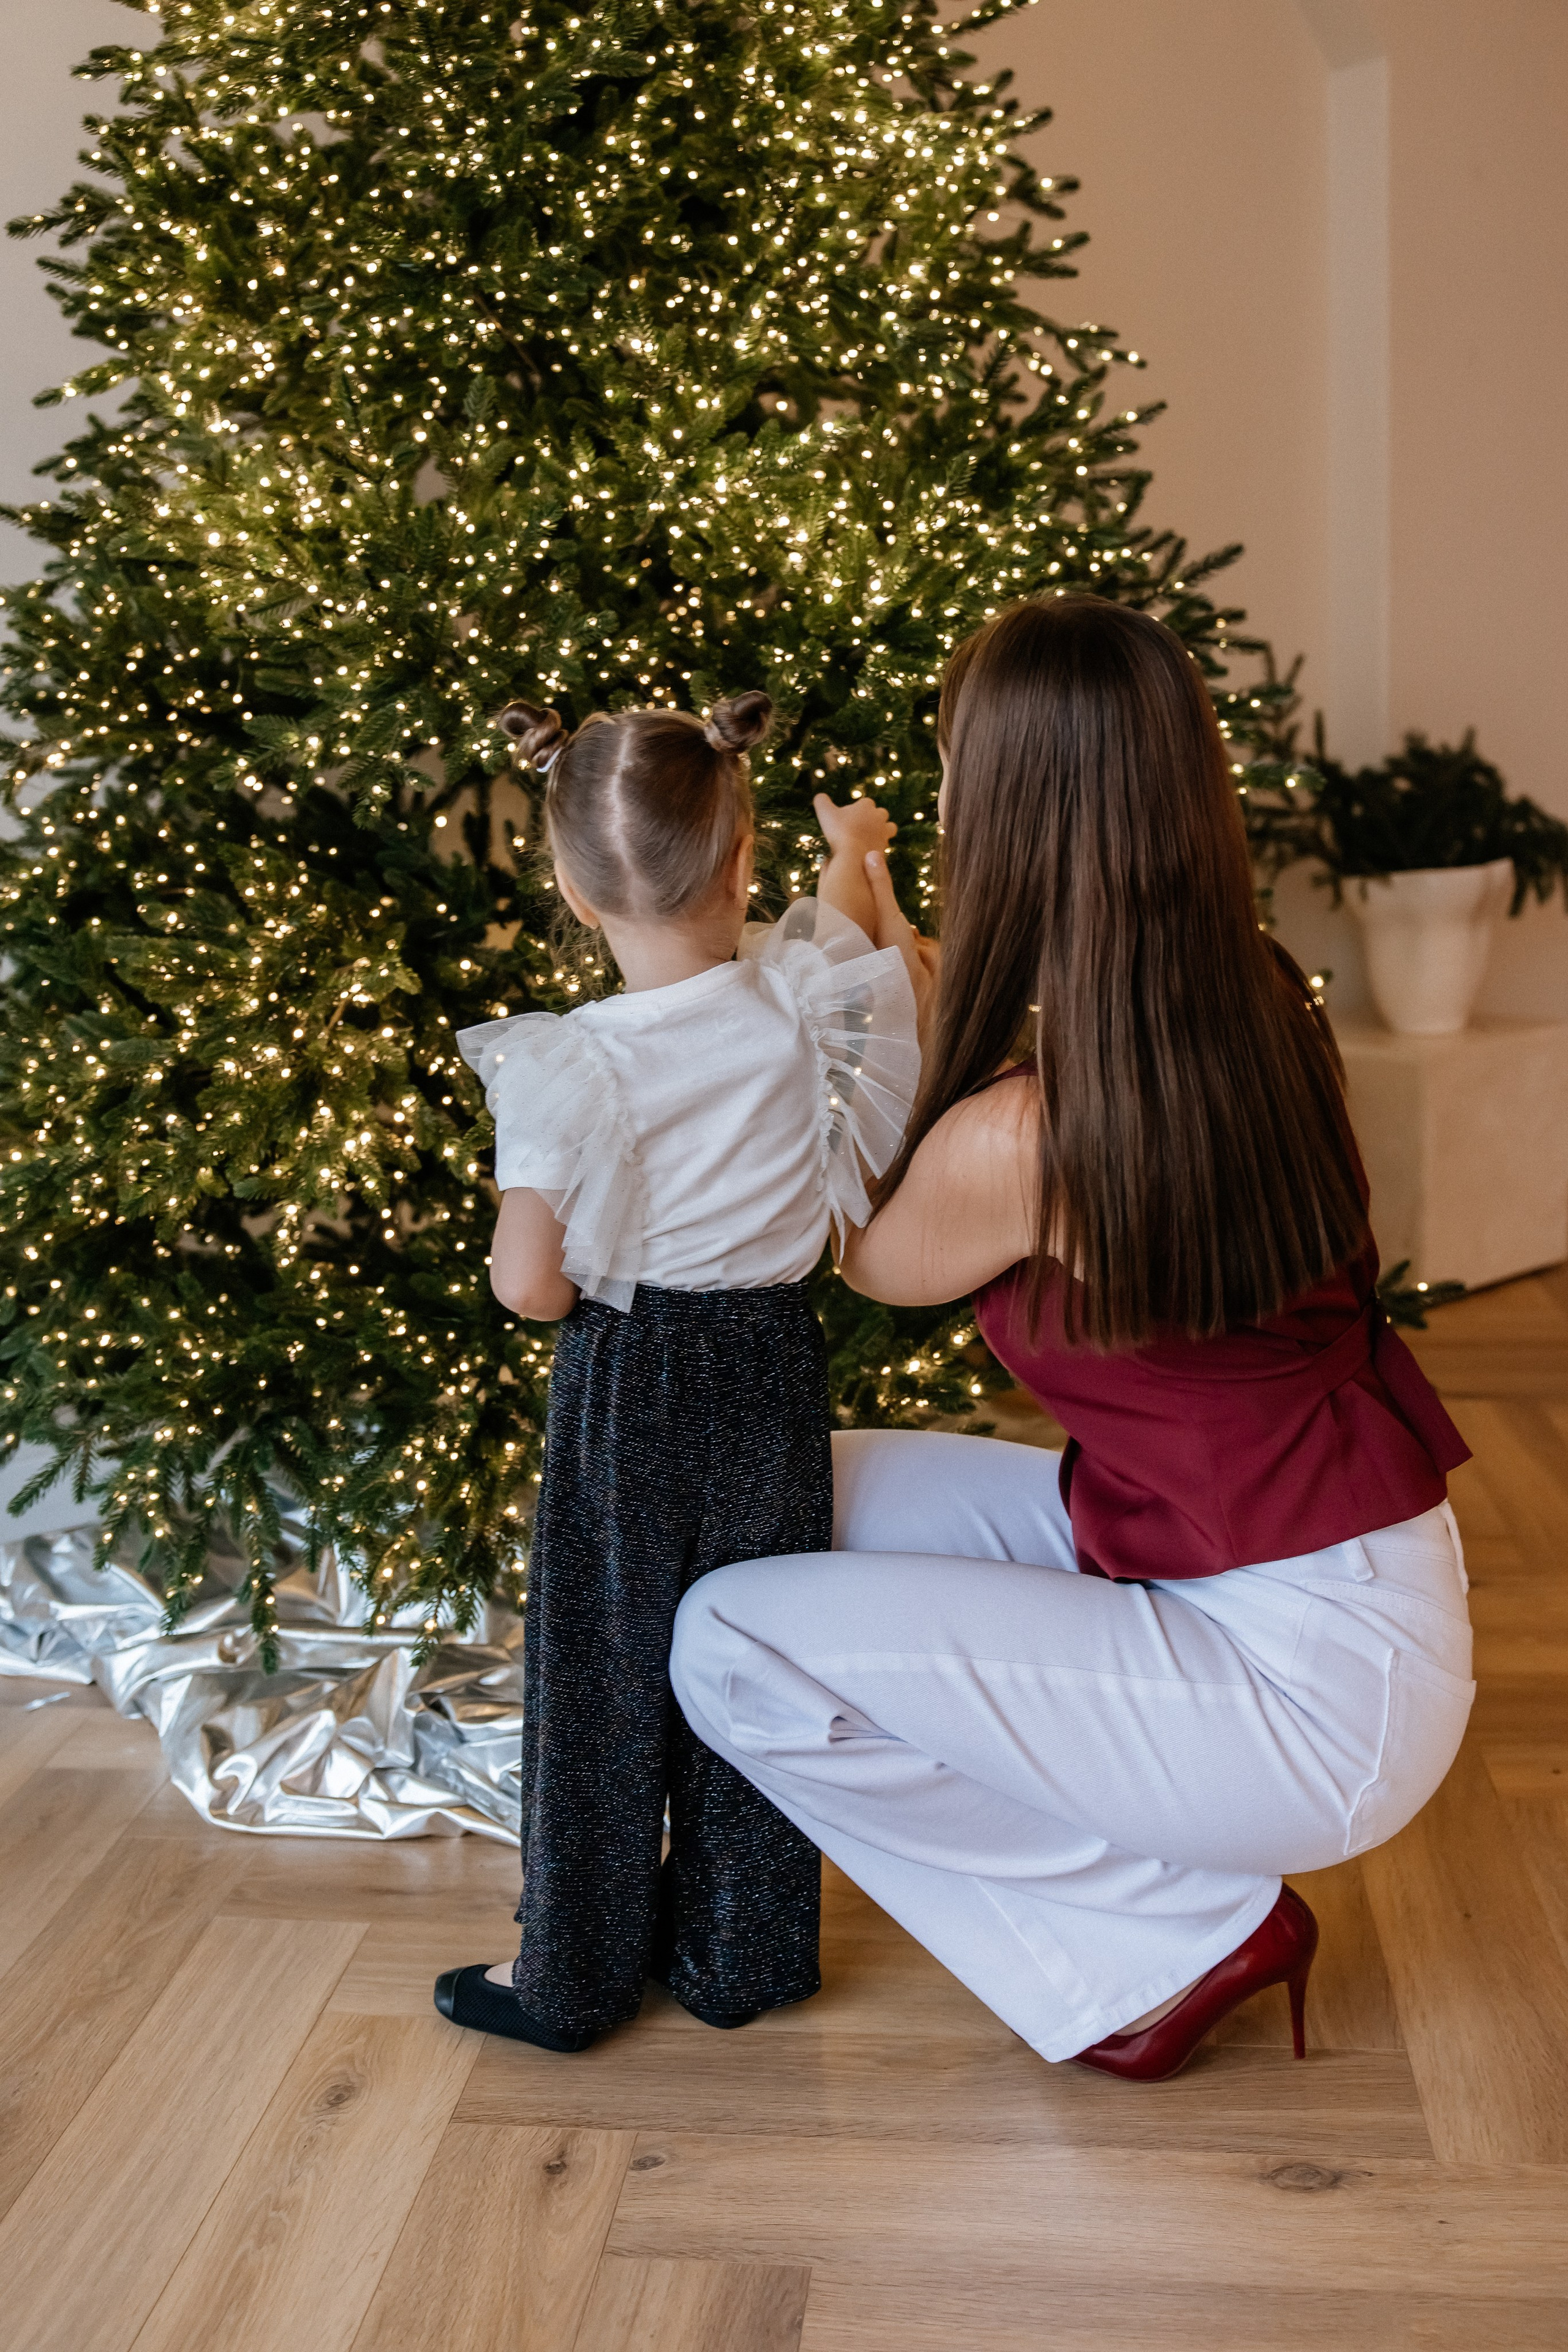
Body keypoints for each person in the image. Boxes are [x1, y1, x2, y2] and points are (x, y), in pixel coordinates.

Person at [670, 598, 1474, 2081]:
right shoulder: (1239, 998)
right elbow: (947, 1039)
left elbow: (870, 1252)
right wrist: (871, 889)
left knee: (729, 1644)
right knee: (781, 1482)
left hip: (1305, 1686)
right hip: (1267, 1560)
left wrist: (848, 925)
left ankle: (1173, 1932)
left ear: (1011, 804)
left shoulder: (1030, 1135)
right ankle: (1164, 1898)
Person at [434, 690, 920, 2051]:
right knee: (749, 1653)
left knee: (599, 1677)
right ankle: (740, 1954)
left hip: (628, 1377)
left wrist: (583, 1260)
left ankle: (572, 1978)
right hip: (769, 1366)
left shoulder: (567, 1062)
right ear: (742, 858)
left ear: (570, 891)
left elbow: (528, 1285)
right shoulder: (790, 995)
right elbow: (850, 940)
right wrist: (855, 847)